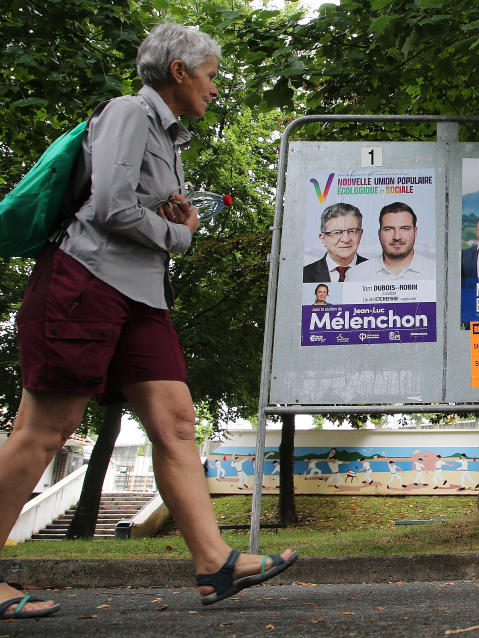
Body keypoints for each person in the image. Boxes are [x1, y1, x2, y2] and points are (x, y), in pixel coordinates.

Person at [0, 24, 296, 616]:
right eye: (211, 74)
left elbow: (131, 202)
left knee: (176, 420)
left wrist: (170, 214)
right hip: (84, 283)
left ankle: (214, 562)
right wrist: (178, 232)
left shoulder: (168, 137)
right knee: (47, 428)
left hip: (140, 296)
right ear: (180, 72)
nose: (216, 87)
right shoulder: (129, 113)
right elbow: (108, 207)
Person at [346, 202, 435, 281]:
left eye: (405, 229)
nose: (397, 237)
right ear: (379, 233)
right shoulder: (355, 276)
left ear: (415, 232)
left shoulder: (435, 272)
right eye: (389, 229)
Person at [302, 202, 366, 282]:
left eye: (352, 231)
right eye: (337, 232)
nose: (346, 239)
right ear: (323, 239)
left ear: (360, 234)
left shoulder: (376, 272)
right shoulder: (304, 275)